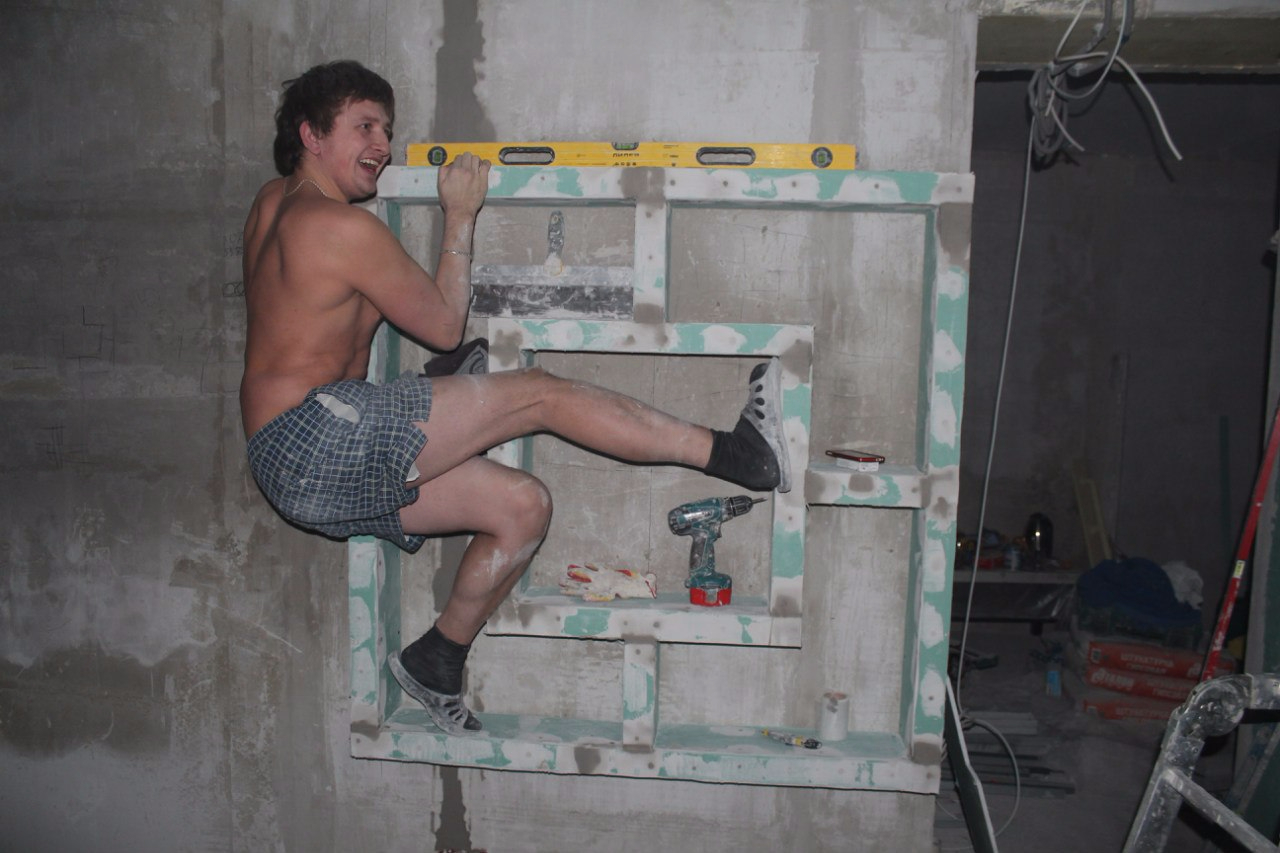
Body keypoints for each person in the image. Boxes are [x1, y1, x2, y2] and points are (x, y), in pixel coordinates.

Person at [240, 60, 790, 736]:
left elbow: (324, 318)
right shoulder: (339, 228)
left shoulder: (271, 203)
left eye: (385, 129)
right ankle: (736, 454)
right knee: (536, 394)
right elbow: (444, 321)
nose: (382, 145)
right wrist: (460, 214)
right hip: (320, 439)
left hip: (293, 464)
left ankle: (436, 659)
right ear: (311, 133)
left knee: (523, 506)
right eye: (365, 127)